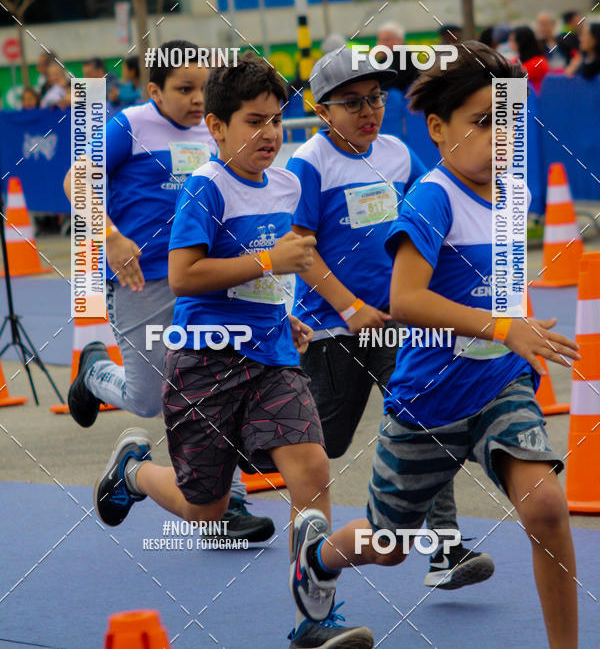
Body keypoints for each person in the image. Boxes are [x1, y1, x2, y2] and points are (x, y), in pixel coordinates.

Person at [289, 42, 579, 649]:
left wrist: (514, 334)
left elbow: (499, 289)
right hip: (425, 402)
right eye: (483, 121)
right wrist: (505, 328)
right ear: (438, 128)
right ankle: (317, 557)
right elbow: (410, 301)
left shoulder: (513, 192)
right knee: (388, 545)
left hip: (500, 385)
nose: (500, 135)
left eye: (510, 121)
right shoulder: (432, 197)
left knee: (548, 507)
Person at [92, 55, 374, 649]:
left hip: (272, 356)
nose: (269, 133)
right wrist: (272, 264)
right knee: (205, 507)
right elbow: (187, 275)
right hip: (206, 361)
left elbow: (281, 263)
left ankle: (314, 617)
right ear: (217, 128)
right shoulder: (206, 189)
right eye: (253, 121)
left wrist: (288, 312)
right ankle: (135, 471)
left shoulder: (290, 183)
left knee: (313, 469)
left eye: (276, 120)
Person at [287, 46, 494, 590]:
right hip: (333, 328)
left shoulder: (400, 154)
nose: (368, 110)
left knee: (427, 418)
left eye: (376, 98)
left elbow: (438, 204)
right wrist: (349, 307)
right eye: (351, 102)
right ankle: (228, 468)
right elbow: (300, 249)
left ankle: (444, 548)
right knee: (321, 445)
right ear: (321, 108)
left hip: (398, 324)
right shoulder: (309, 163)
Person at [64, 40, 272, 543]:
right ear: (152, 89)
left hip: (206, 278)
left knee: (224, 383)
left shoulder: (216, 129)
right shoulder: (129, 126)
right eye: (184, 89)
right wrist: (110, 237)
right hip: (144, 278)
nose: (198, 98)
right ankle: (95, 371)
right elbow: (76, 181)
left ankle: (229, 503)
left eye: (203, 87)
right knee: (145, 400)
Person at [509, 25, 549, 93]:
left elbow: (515, 76)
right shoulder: (516, 60)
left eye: (513, 41)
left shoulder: (539, 62)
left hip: (534, 100)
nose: (510, 44)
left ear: (522, 42)